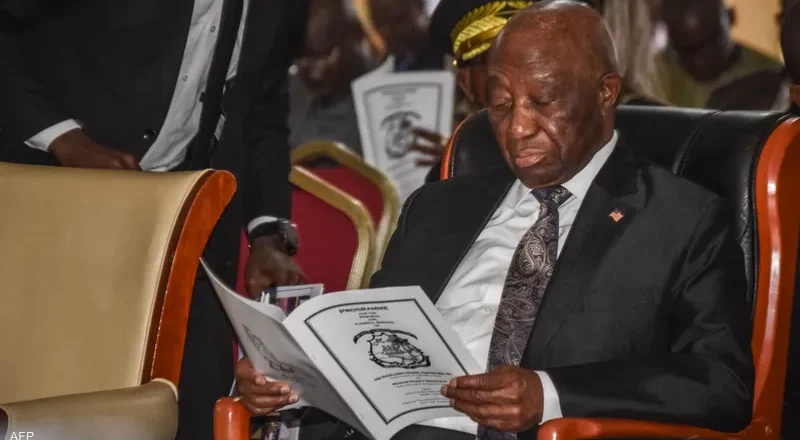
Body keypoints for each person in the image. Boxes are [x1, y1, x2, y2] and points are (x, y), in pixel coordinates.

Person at [235, 2, 754, 439]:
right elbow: (370, 345)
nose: (517, 128)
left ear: (605, 93)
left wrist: (550, 394)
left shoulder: (681, 219)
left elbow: (721, 384)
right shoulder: (436, 207)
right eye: (501, 104)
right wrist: (293, 377)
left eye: (543, 101)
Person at [0, 1, 307, 439]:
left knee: (195, 411)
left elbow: (261, 102)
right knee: (58, 409)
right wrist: (64, 139)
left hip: (187, 222)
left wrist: (268, 233)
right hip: (61, 205)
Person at [658, 0, 787, 110]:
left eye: (709, 44)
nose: (700, 61)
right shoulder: (655, 77)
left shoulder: (773, 80)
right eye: (686, 51)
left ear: (731, 16)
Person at [289, 0, 369, 155]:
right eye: (302, 58)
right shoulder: (281, 97)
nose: (316, 74)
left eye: (326, 54)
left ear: (355, 34)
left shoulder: (383, 97)